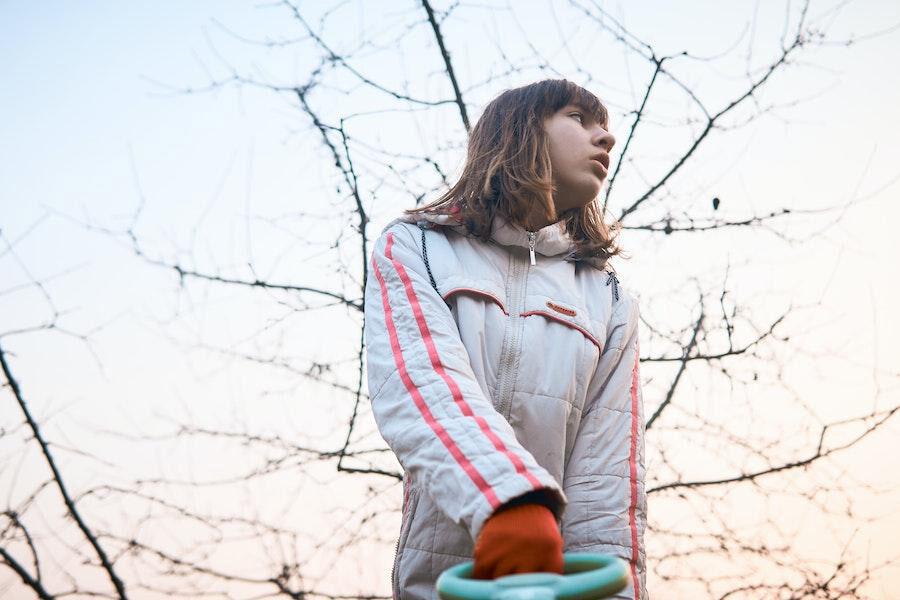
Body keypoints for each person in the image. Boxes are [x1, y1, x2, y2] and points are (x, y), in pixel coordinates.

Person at [364, 79, 646, 600]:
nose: (605, 137)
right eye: (579, 119)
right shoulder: (416, 247)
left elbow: (606, 481)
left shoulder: (606, 297)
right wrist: (510, 501)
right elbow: (420, 382)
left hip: (560, 588)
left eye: (604, 125)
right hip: (442, 587)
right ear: (518, 132)